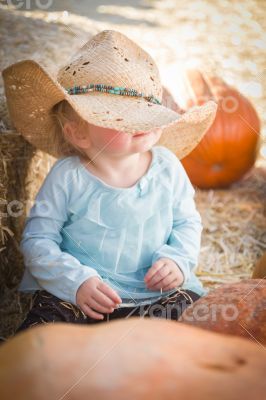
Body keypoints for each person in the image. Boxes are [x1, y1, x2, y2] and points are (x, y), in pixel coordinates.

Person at [2, 30, 217, 333]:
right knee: (42, 332)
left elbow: (187, 223)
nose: (140, 123)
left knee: (194, 318)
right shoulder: (68, 176)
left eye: (146, 112)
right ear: (78, 133)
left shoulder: (168, 167)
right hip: (85, 298)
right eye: (120, 117)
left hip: (157, 295)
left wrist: (177, 262)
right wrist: (76, 282)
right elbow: (38, 240)